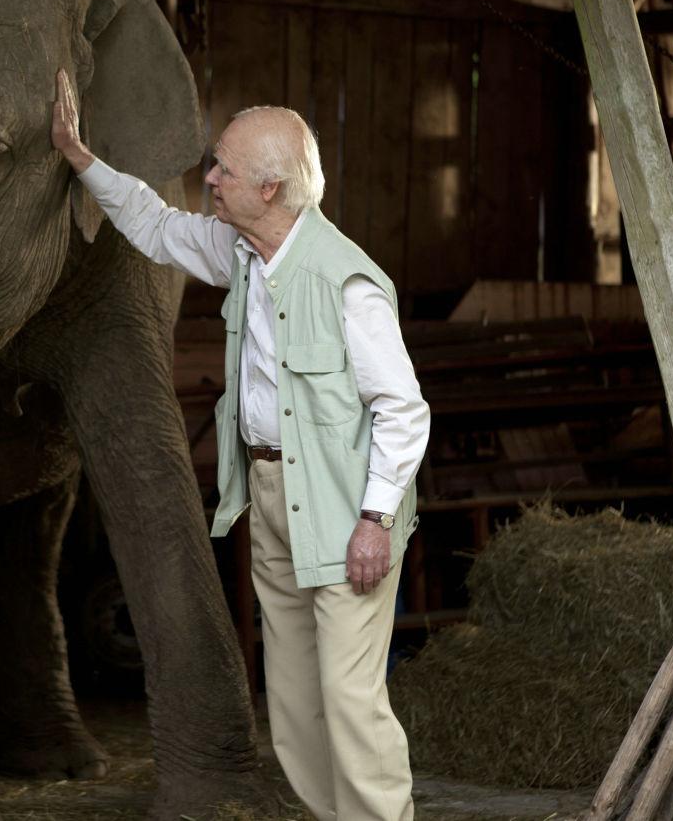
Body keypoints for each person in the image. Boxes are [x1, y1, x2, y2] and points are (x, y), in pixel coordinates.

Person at [50, 69, 430, 821]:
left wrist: (375, 519)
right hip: (272, 493)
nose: (210, 177)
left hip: (348, 512)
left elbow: (404, 410)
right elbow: (157, 224)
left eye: (222, 167)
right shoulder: (242, 254)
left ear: (271, 188)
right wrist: (79, 157)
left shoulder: (348, 283)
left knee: (350, 698)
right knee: (291, 699)